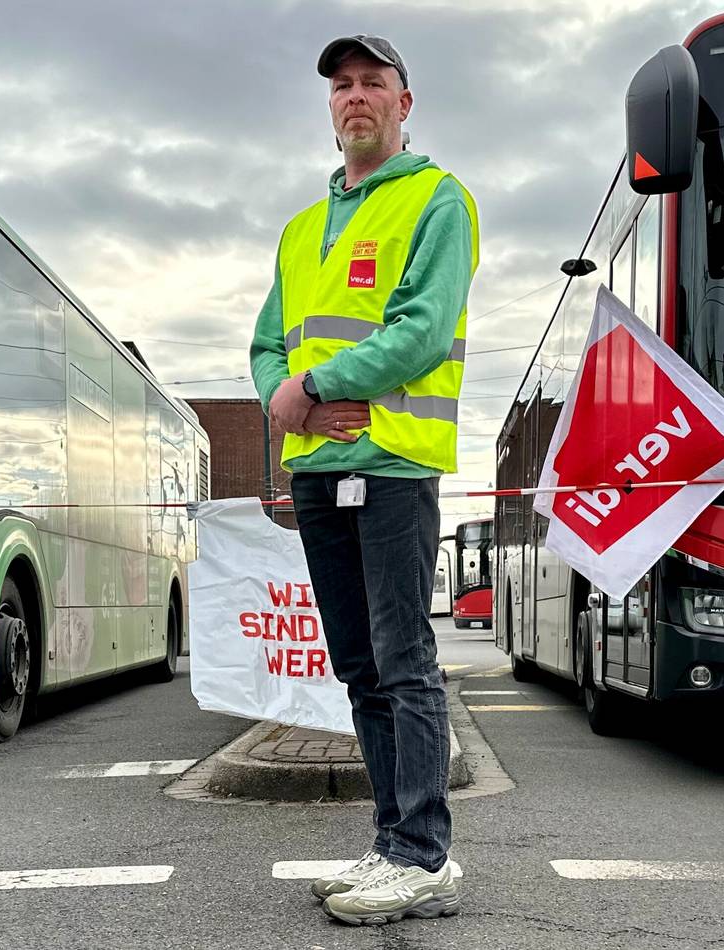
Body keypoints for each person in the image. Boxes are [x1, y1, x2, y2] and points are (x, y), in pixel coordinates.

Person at [249, 33, 479, 926]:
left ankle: (420, 853)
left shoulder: (438, 200)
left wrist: (315, 386)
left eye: (372, 83)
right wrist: (287, 396)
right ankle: (398, 846)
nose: (355, 96)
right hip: (319, 470)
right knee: (359, 668)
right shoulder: (303, 228)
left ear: (403, 103)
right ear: (331, 106)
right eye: (341, 85)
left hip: (391, 467)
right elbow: (270, 343)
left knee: (403, 661)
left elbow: (421, 332)